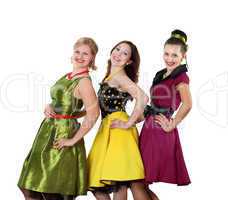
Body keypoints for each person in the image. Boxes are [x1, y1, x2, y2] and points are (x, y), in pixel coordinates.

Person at [18, 37, 100, 200]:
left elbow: (94, 113)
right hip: (48, 131)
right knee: (30, 186)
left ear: (92, 58)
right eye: (77, 52)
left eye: (86, 54)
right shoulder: (68, 76)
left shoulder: (84, 82)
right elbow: (66, 102)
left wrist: (72, 140)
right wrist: (50, 106)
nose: (80, 56)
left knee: (51, 188)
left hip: (63, 134)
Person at [87, 41, 150, 200]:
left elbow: (143, 98)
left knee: (118, 180)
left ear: (129, 61)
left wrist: (128, 123)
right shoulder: (112, 76)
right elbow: (142, 113)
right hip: (108, 128)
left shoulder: (121, 77)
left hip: (118, 131)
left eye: (125, 53)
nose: (118, 54)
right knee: (101, 183)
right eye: (117, 49)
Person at [139, 29, 192, 199]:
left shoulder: (181, 77)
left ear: (183, 55)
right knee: (140, 181)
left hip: (160, 132)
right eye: (166, 54)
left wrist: (172, 124)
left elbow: (188, 103)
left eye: (174, 55)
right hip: (149, 128)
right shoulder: (161, 74)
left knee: (140, 180)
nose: (169, 59)